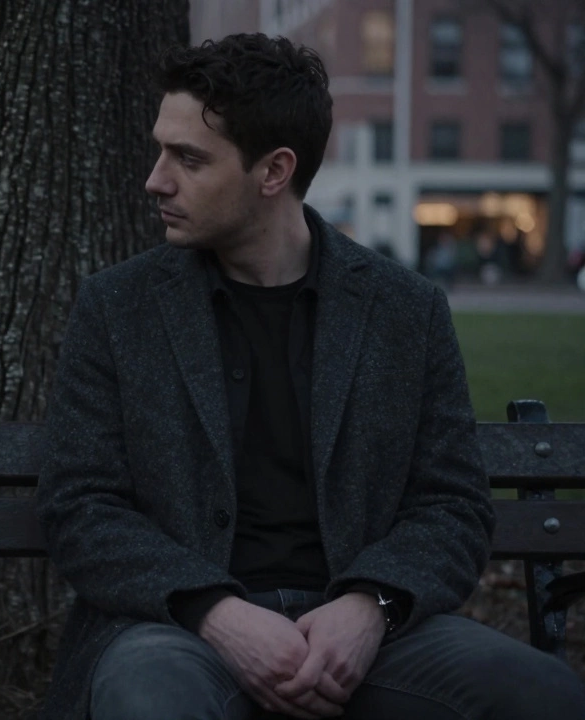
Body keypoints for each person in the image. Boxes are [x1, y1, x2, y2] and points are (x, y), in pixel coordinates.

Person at [35, 34, 585, 720]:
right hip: (176, 630)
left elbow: (453, 505)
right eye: (161, 151)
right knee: (151, 699)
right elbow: (80, 505)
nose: (156, 179)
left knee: (543, 693)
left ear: (274, 171)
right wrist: (217, 612)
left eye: (189, 158)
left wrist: (370, 607)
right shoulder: (120, 307)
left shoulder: (403, 309)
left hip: (371, 635)